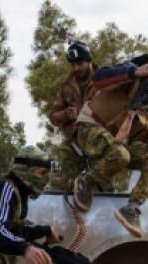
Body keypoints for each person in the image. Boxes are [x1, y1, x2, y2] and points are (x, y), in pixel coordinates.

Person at [72, 53, 148, 237]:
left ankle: (131, 209)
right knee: (121, 154)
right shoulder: (131, 71)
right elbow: (98, 79)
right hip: (90, 128)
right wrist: (136, 72)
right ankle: (86, 182)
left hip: (120, 143)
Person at [48, 41, 97, 191]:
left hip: (98, 144)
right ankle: (76, 189)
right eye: (73, 64)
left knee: (103, 190)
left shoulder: (103, 79)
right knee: (59, 184)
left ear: (89, 61)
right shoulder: (66, 85)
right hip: (74, 145)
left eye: (80, 64)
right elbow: (53, 116)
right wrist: (65, 114)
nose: (76, 68)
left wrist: (81, 113)